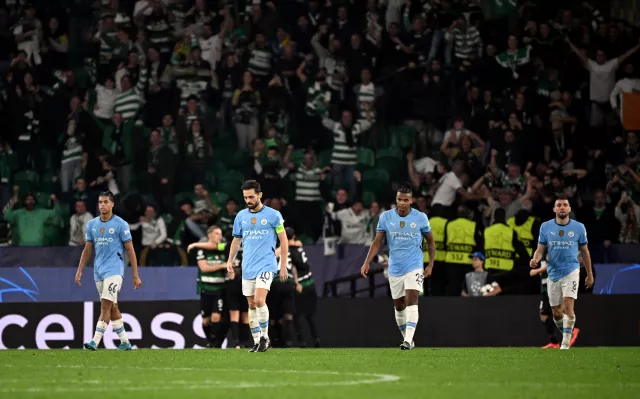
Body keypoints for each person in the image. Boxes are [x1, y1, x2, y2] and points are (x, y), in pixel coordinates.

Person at [361, 185, 436, 350]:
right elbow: (377, 242)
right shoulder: (386, 217)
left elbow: (430, 242)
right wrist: (367, 261)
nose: (402, 203)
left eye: (406, 200)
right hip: (395, 267)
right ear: (396, 199)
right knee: (399, 305)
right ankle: (407, 339)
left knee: (412, 299)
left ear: (411, 200)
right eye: (399, 199)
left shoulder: (421, 218)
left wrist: (430, 264)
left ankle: (408, 341)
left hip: (414, 265)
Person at [226, 180, 288, 353]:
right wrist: (230, 260)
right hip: (248, 266)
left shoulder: (274, 215)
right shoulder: (241, 216)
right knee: (252, 305)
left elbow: (284, 241)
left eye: (251, 196)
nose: (248, 200)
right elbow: (236, 240)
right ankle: (256, 341)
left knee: (260, 300)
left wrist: (282, 266)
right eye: (245, 197)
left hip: (267, 265)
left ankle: (265, 337)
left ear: (260, 195)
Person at [75, 191, 141, 351]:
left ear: (112, 204)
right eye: (100, 202)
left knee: (105, 305)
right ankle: (125, 342)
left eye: (106, 202)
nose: (102, 205)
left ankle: (94, 341)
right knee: (113, 307)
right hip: (99, 271)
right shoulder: (92, 224)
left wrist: (135, 274)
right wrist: (79, 270)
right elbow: (87, 249)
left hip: (115, 270)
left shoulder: (121, 224)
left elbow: (130, 250)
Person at [530, 196, 593, 350]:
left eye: (565, 205)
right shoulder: (545, 227)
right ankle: (569, 333)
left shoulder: (579, 227)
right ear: (554, 209)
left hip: (571, 270)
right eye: (559, 205)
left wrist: (590, 274)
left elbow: (585, 251)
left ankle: (565, 343)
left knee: (568, 305)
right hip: (553, 273)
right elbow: (540, 249)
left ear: (569, 209)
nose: (562, 207)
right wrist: (535, 259)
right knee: (556, 312)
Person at [187, 226, 230, 348]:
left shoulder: (223, 248)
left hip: (220, 289)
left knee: (216, 317)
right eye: (216, 233)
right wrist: (222, 266)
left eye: (220, 233)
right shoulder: (202, 250)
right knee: (206, 320)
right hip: (206, 288)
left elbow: (217, 248)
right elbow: (204, 268)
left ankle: (214, 343)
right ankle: (210, 341)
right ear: (209, 235)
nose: (219, 236)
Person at [285, 227, 320, 348]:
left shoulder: (287, 250)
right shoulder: (299, 246)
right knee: (310, 315)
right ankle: (316, 339)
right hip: (310, 282)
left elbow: (293, 267)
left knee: (296, 315)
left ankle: (302, 341)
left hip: (300, 285)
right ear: (294, 236)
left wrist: (296, 283)